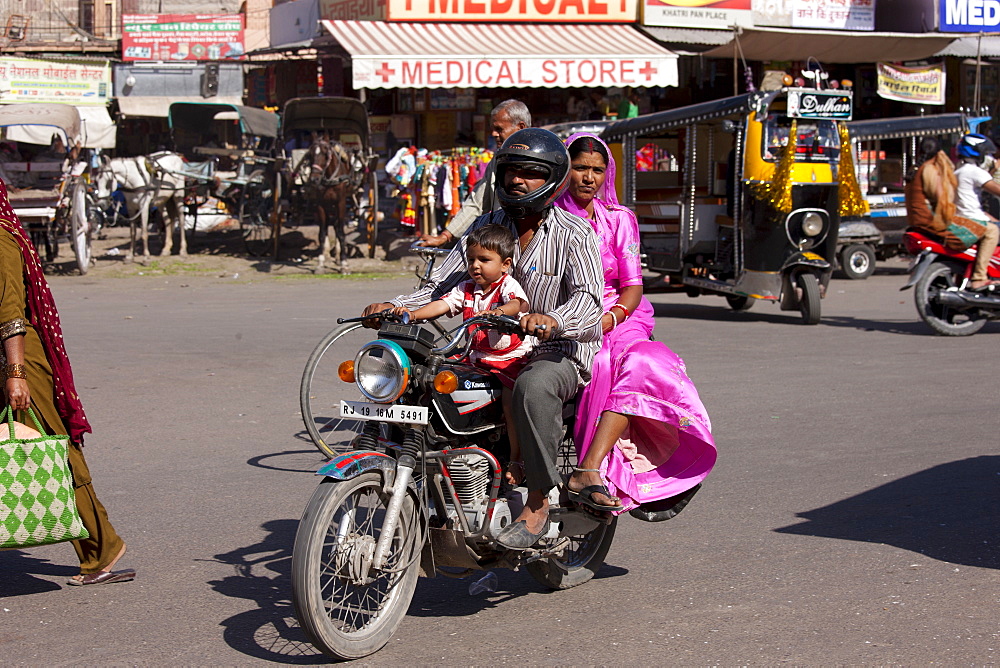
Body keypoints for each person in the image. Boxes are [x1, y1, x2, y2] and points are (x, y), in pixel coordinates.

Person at [363, 128, 604, 549]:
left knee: (533, 384)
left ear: (551, 179)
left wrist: (552, 320)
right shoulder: (486, 225)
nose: (517, 181)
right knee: (419, 373)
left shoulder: (575, 232)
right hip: (489, 349)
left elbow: (589, 302)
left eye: (529, 173)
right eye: (510, 171)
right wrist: (394, 305)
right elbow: (440, 287)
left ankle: (537, 501)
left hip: (557, 351)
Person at [553, 132, 716, 518]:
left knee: (645, 361)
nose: (588, 177)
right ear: (565, 171)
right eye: (580, 168)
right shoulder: (549, 218)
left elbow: (632, 287)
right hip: (570, 321)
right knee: (603, 366)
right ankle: (592, 471)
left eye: (597, 170)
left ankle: (590, 467)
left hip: (622, 318)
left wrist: (610, 319)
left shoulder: (619, 219)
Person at [0, 179, 135, 587]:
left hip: (19, 362)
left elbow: (11, 314)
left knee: (54, 451)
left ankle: (101, 548)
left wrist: (16, 374)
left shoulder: (0, 239)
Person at [392, 224, 533, 482]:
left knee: (511, 405)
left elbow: (518, 304)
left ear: (505, 264)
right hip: (475, 358)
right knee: (435, 381)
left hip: (508, 360)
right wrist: (414, 314)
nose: (475, 265)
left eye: (484, 259)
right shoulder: (467, 288)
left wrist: (499, 313)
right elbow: (442, 304)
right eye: (471, 260)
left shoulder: (506, 286)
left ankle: (517, 459)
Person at [419, 100, 531, 248]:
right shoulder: (498, 160)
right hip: (503, 242)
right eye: (492, 129)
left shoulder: (542, 158)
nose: (493, 134)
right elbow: (477, 203)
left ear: (520, 127)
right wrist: (446, 236)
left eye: (499, 129)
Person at [905, 136, 1000, 291]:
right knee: (993, 231)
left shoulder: (955, 171)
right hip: (945, 221)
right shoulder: (933, 170)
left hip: (953, 218)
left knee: (994, 224)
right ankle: (979, 277)